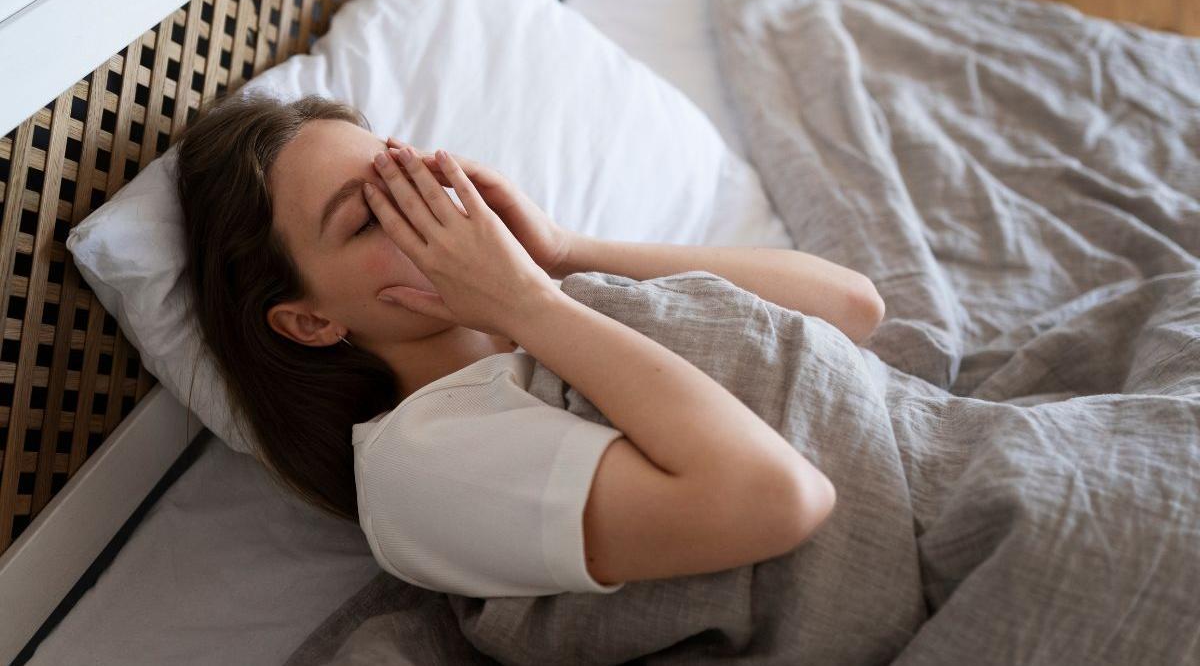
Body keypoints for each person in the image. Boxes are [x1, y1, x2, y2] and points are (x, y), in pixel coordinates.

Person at [174, 91, 884, 595]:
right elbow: (778, 499)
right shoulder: (418, 463)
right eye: (369, 219)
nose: (425, 213)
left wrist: (565, 253)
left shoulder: (554, 306)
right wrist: (529, 301)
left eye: (411, 178)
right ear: (310, 321)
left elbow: (851, 307)